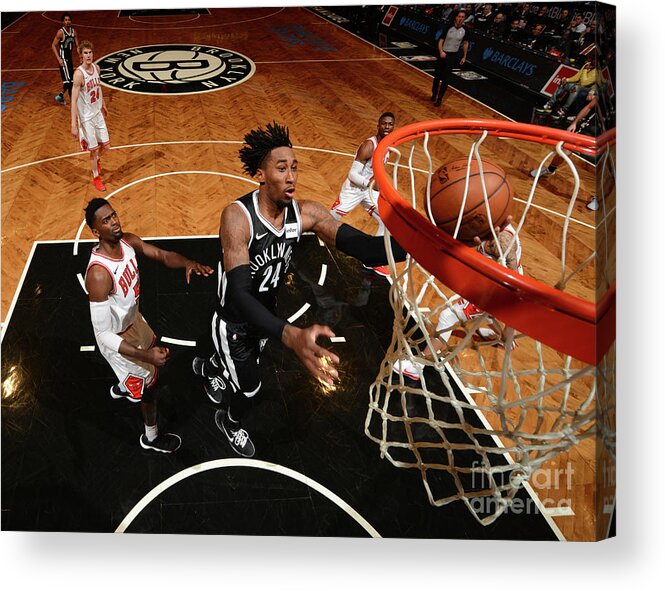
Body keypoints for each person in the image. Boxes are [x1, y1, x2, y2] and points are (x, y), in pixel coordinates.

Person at [192, 122, 407, 458]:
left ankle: (210, 369)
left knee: (238, 366)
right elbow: (240, 295)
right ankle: (229, 421)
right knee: (251, 391)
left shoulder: (306, 213)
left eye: (295, 167)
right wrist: (290, 335)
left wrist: (422, 242)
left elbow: (366, 248)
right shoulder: (238, 218)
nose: (291, 176)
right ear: (261, 174)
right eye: (281, 168)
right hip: (234, 319)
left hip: (265, 315)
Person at [84, 198, 214, 453]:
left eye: (114, 215)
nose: (115, 222)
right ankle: (151, 437)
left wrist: (187, 262)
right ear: (95, 231)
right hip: (117, 338)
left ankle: (123, 386)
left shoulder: (127, 242)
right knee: (151, 387)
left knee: (153, 348)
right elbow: (102, 334)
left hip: (133, 321)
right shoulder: (99, 274)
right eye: (106, 220)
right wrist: (144, 356)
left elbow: (162, 255)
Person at [393, 220, 523, 381]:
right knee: (506, 310)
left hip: (497, 290)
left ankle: (417, 366)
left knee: (448, 316)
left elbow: (514, 279)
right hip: (494, 285)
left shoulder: (502, 241)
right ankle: (506, 339)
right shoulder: (492, 225)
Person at [329, 111, 396, 278]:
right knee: (329, 220)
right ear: (378, 125)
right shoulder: (369, 146)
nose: (387, 126)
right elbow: (352, 175)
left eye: (390, 124)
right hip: (353, 190)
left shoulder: (387, 147)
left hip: (368, 191)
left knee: (386, 220)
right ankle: (304, 232)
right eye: (384, 123)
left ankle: (373, 260)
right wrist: (371, 184)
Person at [530, 90, 600, 211]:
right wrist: (574, 123)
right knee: (563, 150)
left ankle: (599, 197)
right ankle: (550, 170)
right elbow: (589, 106)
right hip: (591, 128)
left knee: (608, 169)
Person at [71, 40, 110, 192]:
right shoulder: (78, 75)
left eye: (90, 52)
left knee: (106, 146)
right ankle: (96, 178)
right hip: (86, 118)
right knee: (93, 151)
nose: (88, 55)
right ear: (81, 56)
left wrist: (104, 104)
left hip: (97, 113)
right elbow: (73, 101)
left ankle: (97, 160)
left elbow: (98, 89)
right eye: (85, 53)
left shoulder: (97, 68)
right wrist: (73, 124)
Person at [535, 55, 601, 119]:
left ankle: (563, 111)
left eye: (596, 60)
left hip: (588, 89)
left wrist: (585, 70)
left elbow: (584, 83)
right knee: (563, 84)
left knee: (575, 88)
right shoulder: (587, 65)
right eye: (593, 59)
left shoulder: (597, 72)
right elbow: (577, 77)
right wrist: (566, 80)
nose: (594, 61)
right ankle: (549, 105)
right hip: (578, 85)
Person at [431, 10, 469, 107]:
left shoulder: (465, 30)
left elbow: (465, 43)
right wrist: (441, 51)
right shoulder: (448, 27)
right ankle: (434, 94)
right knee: (437, 78)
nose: (460, 18)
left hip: (452, 56)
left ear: (464, 18)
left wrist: (464, 56)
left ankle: (440, 99)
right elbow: (440, 41)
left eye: (462, 17)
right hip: (443, 54)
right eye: (459, 16)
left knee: (446, 79)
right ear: (456, 17)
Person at [51, 12, 78, 105]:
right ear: (63, 22)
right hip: (63, 59)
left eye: (69, 20)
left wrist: (80, 56)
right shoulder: (60, 32)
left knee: (69, 80)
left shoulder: (73, 32)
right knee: (70, 81)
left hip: (69, 59)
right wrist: (59, 59)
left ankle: (60, 96)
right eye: (65, 20)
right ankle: (73, 103)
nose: (67, 22)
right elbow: (53, 45)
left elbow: (77, 46)